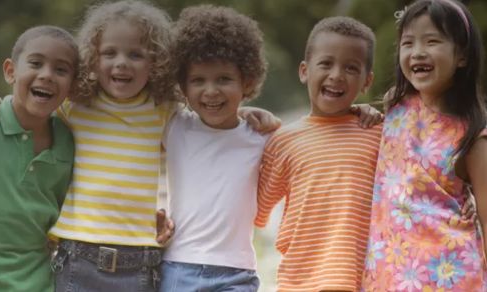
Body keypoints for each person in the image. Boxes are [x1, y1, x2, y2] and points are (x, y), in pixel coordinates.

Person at [362, 0, 487, 290]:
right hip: (388, 272)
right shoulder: (394, 104)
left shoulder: (473, 133)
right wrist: (364, 111)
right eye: (408, 43)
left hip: (449, 274)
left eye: (432, 41)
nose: (418, 52)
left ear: (462, 56)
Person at [255, 16, 382, 291]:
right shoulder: (283, 141)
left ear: (366, 81)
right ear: (304, 71)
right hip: (300, 282)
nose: (336, 74)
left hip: (363, 281)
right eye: (326, 63)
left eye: (351, 67)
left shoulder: (379, 134)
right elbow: (255, 211)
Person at [0, 25, 78, 291]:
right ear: (10, 71)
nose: (47, 75)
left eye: (61, 70)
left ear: (72, 85)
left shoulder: (69, 140)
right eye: (36, 63)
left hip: (39, 283)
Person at [159, 5, 268, 292]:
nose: (211, 91)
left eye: (223, 79)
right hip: (178, 268)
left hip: (238, 273)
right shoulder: (174, 127)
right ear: (182, 86)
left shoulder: (261, 137)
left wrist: (361, 110)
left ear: (247, 81)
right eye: (198, 80)